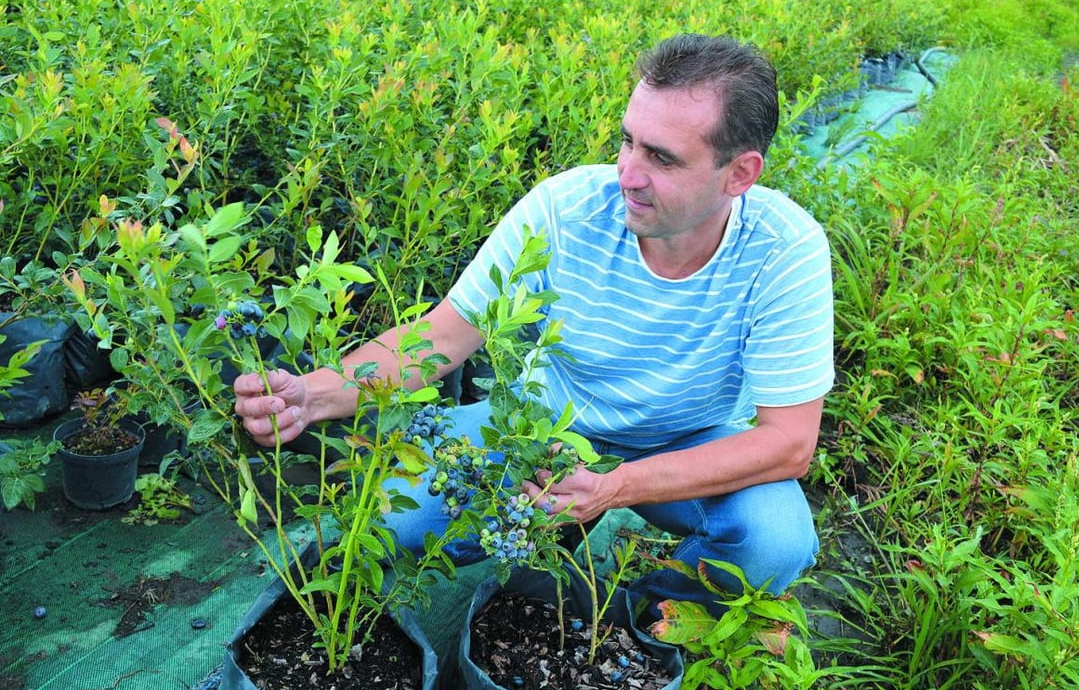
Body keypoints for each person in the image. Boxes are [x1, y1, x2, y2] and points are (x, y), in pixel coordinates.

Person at [234, 33, 834, 616]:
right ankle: (554, 526)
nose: (627, 173)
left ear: (739, 174)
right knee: (392, 521)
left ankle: (641, 619)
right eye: (627, 141)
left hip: (687, 437)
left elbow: (788, 442)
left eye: (662, 158)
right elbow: (443, 336)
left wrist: (616, 485)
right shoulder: (565, 210)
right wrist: (311, 396)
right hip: (541, 426)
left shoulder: (783, 250)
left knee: (773, 542)